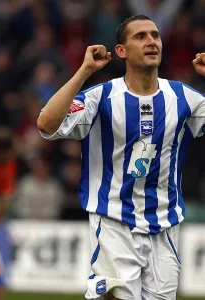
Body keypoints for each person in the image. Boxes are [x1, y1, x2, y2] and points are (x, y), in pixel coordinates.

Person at [37, 15, 205, 300]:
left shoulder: (183, 97)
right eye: (140, 36)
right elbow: (46, 124)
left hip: (164, 229)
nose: (151, 41)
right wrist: (84, 71)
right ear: (121, 51)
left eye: (155, 35)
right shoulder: (101, 96)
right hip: (115, 223)